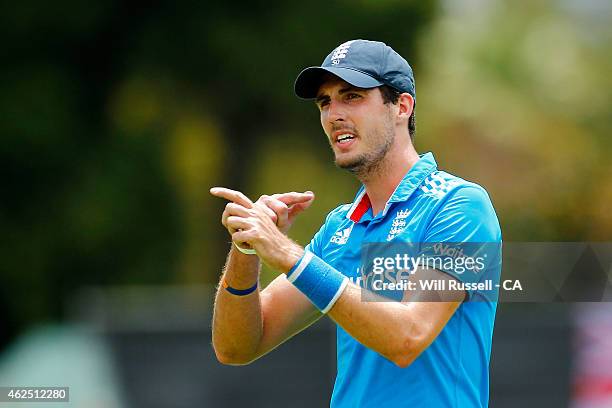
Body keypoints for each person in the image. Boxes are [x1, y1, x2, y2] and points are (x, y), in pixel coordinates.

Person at [210, 39, 502, 407]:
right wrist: (246, 248)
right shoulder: (340, 228)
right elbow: (236, 347)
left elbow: (408, 337)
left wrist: (288, 254)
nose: (333, 114)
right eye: (325, 102)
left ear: (401, 106)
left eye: (351, 97)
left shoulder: (459, 205)